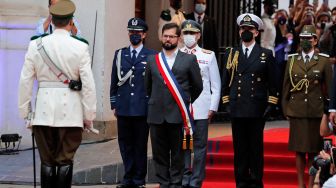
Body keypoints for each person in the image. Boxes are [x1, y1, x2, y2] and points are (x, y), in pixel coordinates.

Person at [18, 0, 96, 187]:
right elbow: (88, 85)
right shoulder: (80, 46)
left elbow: (25, 81)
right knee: (65, 160)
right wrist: (88, 116)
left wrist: (26, 114)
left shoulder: (35, 45)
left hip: (43, 112)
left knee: (47, 160)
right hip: (71, 113)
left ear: (51, 20)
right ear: (71, 22)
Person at [221, 13, 278, 188]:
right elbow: (225, 80)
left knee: (255, 148)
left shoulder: (266, 54)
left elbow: (273, 83)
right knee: (240, 149)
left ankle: (255, 181)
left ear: (256, 32)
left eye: (250, 29)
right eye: (243, 28)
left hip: (256, 108)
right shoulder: (232, 54)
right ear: (239, 32)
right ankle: (241, 181)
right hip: (237, 107)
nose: (246, 31)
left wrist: (271, 104)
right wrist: (226, 103)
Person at [145, 23, 203, 188]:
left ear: (179, 38)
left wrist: (184, 102)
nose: (168, 39)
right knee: (159, 154)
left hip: (177, 115)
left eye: (171, 36)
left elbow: (197, 86)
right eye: (165, 36)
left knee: (177, 154)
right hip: (156, 115)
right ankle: (163, 183)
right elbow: (147, 87)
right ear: (161, 37)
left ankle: (176, 183)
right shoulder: (153, 60)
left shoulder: (189, 59)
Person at [282, 25, 332, 188]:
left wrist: (329, 110)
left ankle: (311, 184)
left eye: (308, 38)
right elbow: (286, 87)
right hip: (296, 110)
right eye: (302, 38)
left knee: (313, 151)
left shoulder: (323, 60)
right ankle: (300, 184)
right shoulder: (292, 60)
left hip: (315, 111)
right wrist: (285, 108)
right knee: (299, 150)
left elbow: (329, 89)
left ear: (315, 40)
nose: (305, 41)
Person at [110, 17, 156, 188]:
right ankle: (127, 178)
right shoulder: (120, 54)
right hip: (123, 107)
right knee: (125, 145)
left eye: (137, 32)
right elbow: (114, 80)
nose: (134, 35)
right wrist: (113, 103)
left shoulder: (152, 55)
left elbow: (153, 83)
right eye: (131, 32)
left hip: (142, 108)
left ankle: (138, 179)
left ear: (144, 35)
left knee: (139, 145)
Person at [180, 20, 221, 188]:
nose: (189, 36)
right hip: (181, 108)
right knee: (182, 145)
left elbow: (215, 85)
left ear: (198, 35)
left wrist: (213, 107)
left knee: (200, 146)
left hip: (202, 108)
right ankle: (184, 178)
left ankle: (196, 180)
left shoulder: (207, 55)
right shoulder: (176, 54)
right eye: (186, 33)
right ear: (182, 35)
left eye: (192, 33)